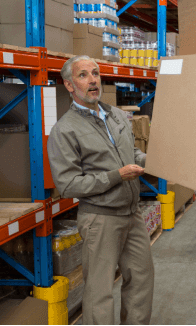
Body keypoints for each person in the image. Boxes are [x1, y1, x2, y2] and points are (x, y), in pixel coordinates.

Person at [47, 55, 154, 325]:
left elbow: (133, 152)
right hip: (100, 217)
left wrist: (153, 160)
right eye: (83, 75)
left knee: (141, 280)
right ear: (69, 85)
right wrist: (116, 176)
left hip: (132, 213)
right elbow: (68, 184)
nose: (93, 80)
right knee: (100, 290)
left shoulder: (116, 115)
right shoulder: (64, 130)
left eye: (95, 73)